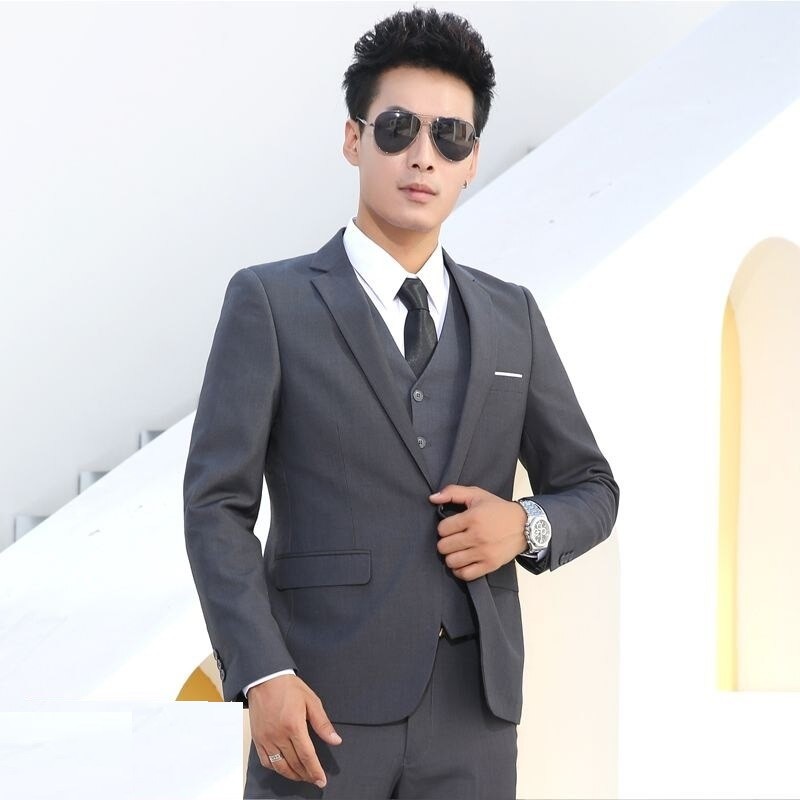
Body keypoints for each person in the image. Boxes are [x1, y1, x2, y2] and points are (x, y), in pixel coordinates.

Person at [183, 8, 619, 800]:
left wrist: (523, 525)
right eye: (397, 129)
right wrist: (262, 673)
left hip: (475, 718)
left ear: (472, 160)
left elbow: (592, 487)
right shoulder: (270, 303)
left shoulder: (512, 316)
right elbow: (216, 505)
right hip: (317, 710)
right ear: (354, 139)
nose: (423, 156)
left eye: (450, 137)